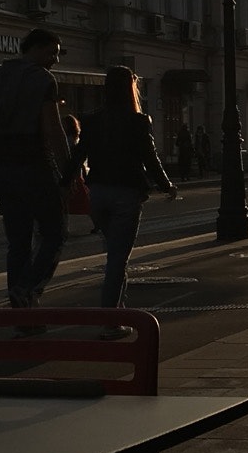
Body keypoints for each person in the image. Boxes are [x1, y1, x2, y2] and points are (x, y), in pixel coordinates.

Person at [63, 66, 175, 309]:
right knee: (117, 258)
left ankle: (118, 309)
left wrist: (63, 183)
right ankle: (110, 317)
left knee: (115, 253)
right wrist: (166, 185)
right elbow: (150, 157)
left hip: (97, 194)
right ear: (130, 89)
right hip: (126, 194)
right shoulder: (138, 121)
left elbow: (78, 155)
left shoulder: (92, 120)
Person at [0, 29, 70, 309]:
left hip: (2, 164)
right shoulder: (43, 79)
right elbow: (53, 129)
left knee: (18, 242)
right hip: (34, 162)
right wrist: (68, 170)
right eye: (52, 53)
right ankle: (27, 288)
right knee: (54, 233)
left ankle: (20, 311)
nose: (55, 60)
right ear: (36, 49)